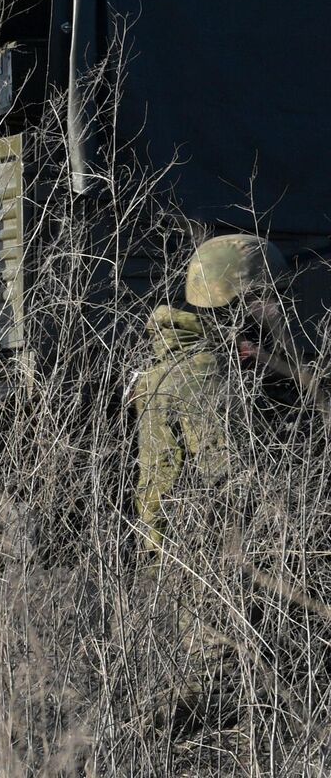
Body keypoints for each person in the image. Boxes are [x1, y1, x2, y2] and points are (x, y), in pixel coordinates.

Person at [130, 234, 322, 736]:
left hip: (179, 552)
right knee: (217, 692)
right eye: (267, 298)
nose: (277, 307)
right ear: (235, 301)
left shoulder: (175, 361)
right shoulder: (205, 374)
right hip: (211, 559)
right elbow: (239, 477)